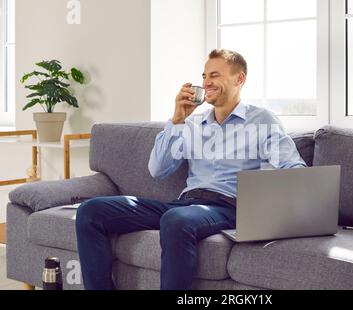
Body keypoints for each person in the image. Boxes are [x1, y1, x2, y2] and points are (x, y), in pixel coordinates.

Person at [75, 49, 306, 290]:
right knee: (91, 210)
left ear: (239, 79)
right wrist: (177, 120)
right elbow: (157, 169)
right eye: (204, 76)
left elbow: (293, 168)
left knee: (176, 220)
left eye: (215, 75)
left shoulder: (261, 120)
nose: (206, 82)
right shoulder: (193, 123)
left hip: (229, 207)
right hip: (184, 204)